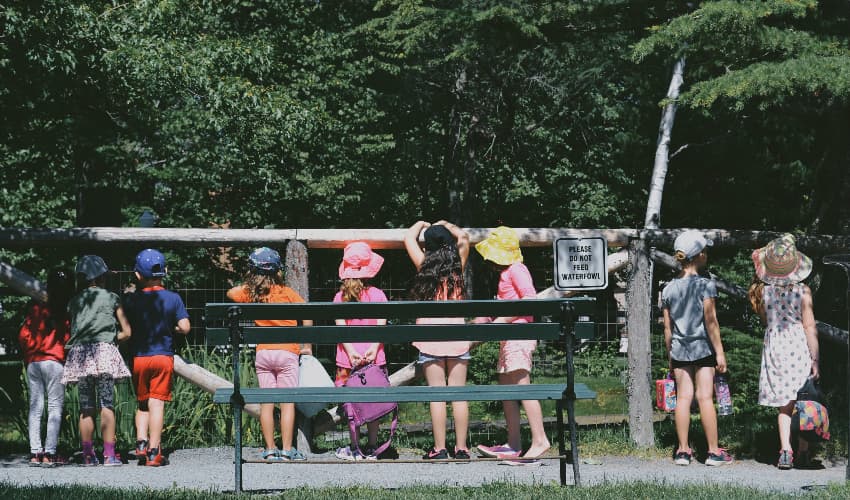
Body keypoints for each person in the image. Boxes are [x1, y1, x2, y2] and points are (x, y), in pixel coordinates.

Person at [473, 226, 551, 464]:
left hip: (518, 336)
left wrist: (503, 320)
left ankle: (540, 440)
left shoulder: (517, 269)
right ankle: (513, 443)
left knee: (522, 387)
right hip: (509, 336)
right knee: (507, 388)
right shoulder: (507, 272)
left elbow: (529, 300)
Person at [227, 247, 312, 462]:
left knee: (267, 402)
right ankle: (287, 449)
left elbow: (231, 292)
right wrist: (307, 345)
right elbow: (308, 314)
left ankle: (270, 449)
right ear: (278, 271)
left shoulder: (250, 294)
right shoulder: (286, 292)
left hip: (264, 354)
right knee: (286, 402)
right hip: (287, 353)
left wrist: (252, 284)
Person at [661, 231, 732, 467]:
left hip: (679, 349)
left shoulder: (668, 289)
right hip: (703, 348)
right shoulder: (705, 285)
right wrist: (719, 352)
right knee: (704, 397)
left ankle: (682, 451)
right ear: (700, 255)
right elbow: (711, 322)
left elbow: (668, 329)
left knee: (683, 398)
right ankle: (713, 452)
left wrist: (670, 354)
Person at [749, 234, 819, 470]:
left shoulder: (763, 293)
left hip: (776, 347)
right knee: (804, 402)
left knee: (784, 405)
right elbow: (809, 326)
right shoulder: (803, 291)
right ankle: (804, 451)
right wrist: (815, 358)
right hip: (798, 346)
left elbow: (766, 321)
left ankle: (785, 451)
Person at [405, 220, 471, 460]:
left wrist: (419, 224)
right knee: (459, 394)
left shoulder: (424, 268)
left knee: (437, 394)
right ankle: (462, 448)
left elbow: (408, 239)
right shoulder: (457, 271)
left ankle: (440, 448)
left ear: (428, 248)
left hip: (431, 340)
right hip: (457, 341)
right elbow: (464, 237)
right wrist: (447, 224)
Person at [62, 255, 132, 466]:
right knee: (107, 404)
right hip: (104, 354)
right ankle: (109, 455)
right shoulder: (112, 298)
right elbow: (127, 332)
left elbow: (72, 329)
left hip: (81, 355)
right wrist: (110, 341)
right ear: (102, 276)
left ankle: (87, 455)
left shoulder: (75, 301)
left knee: (86, 407)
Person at [123, 249, 191, 466]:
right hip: (163, 357)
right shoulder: (173, 298)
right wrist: (174, 329)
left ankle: (140, 443)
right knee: (157, 404)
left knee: (142, 403)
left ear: (137, 275)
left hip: (139, 358)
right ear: (166, 271)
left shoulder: (131, 301)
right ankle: (154, 451)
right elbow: (185, 327)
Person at [332, 242, 388, 461]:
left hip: (348, 360)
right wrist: (374, 348)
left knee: (351, 405)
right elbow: (382, 324)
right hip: (375, 359)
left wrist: (351, 351)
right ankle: (373, 447)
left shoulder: (340, 297)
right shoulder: (378, 294)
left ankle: (355, 447)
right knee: (373, 404)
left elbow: (340, 327)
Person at [19, 269, 74, 466]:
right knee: (55, 409)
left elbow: (23, 335)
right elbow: (68, 340)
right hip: (55, 362)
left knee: (35, 408)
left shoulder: (35, 308)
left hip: (34, 362)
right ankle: (50, 453)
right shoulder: (65, 313)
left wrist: (29, 355)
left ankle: (35, 452)